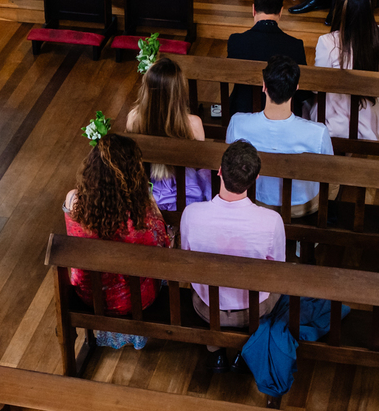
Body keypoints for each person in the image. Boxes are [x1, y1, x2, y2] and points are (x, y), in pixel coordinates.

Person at [180, 140, 285, 372]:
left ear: (219, 172)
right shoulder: (271, 222)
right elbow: (278, 269)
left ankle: (215, 351)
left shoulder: (192, 214)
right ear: (255, 179)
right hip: (255, 309)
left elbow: (185, 257)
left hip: (207, 308)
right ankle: (242, 350)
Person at [64, 134, 170, 349]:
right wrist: (150, 203)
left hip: (90, 294)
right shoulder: (142, 219)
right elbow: (163, 247)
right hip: (135, 300)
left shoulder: (74, 201)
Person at [226, 55, 333, 217]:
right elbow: (330, 173)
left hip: (255, 200)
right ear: (296, 88)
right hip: (302, 206)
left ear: (264, 87)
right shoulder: (318, 132)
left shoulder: (238, 123)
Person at [125, 57, 213, 211]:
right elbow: (199, 164)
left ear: (146, 89)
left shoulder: (133, 118)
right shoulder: (193, 124)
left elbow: (132, 158)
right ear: (179, 91)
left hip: (147, 192)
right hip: (186, 194)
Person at [312, 0, 379, 140]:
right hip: (372, 119)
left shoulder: (327, 42)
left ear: (339, 11)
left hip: (338, 123)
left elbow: (318, 88)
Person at [226, 0, 308, 117]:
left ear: (253, 10)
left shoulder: (236, 41)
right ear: (281, 12)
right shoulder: (295, 45)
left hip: (243, 110)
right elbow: (304, 92)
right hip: (283, 114)